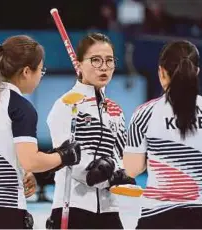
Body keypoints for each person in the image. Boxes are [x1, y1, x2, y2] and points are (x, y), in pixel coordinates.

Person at [122, 40, 202, 229]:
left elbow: (132, 169)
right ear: (197, 72)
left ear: (161, 71)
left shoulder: (144, 113)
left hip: (158, 217)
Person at [0, 35, 81, 229]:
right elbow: (31, 160)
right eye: (41, 70)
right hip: (3, 207)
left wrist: (22, 171)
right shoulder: (19, 106)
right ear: (27, 71)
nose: (41, 75)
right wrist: (63, 156)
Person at [46, 32, 134, 229]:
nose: (104, 67)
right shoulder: (66, 104)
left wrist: (117, 171)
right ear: (79, 64)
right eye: (95, 60)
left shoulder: (115, 110)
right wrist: (95, 173)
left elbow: (120, 153)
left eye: (109, 60)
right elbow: (65, 156)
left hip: (109, 209)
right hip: (73, 205)